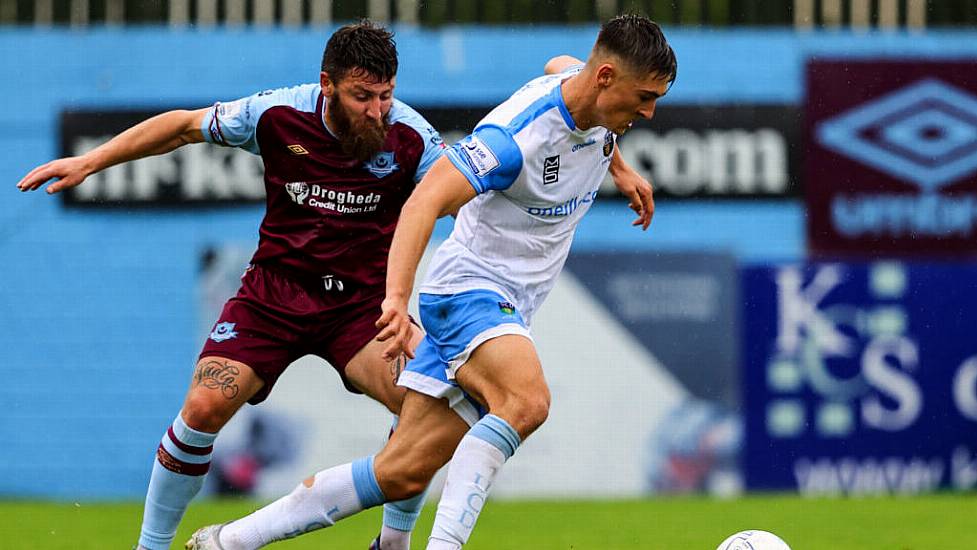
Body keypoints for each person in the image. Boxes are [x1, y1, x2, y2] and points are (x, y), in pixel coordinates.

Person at [186, 13, 677, 549]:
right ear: (606, 78)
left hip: (503, 301)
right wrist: (396, 300)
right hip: (471, 291)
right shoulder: (514, 139)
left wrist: (619, 167)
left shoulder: (593, 98)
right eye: (645, 96)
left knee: (400, 471)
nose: (649, 111)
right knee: (526, 401)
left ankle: (226, 542)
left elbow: (561, 66)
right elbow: (425, 200)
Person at [17, 21, 444, 550]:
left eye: (387, 95)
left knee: (429, 409)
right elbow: (181, 127)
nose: (378, 111)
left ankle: (393, 545)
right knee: (201, 409)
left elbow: (467, 194)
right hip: (274, 295)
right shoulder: (277, 114)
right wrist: (91, 161)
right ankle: (150, 547)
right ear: (327, 84)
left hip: (360, 308)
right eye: (363, 96)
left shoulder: (414, 138)